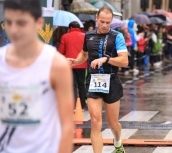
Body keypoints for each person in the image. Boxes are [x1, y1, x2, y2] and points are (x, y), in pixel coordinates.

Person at [0, 0, 74, 153]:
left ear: (39, 22)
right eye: (8, 22)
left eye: (21, 23)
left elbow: (67, 125)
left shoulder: (56, 64)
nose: (13, 30)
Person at [68, 6, 128, 153]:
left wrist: (106, 59)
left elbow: (124, 61)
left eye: (108, 22)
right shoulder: (88, 36)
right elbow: (84, 54)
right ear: (97, 19)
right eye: (102, 21)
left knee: (113, 124)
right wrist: (75, 61)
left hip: (112, 80)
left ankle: (118, 143)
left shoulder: (117, 36)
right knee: (95, 122)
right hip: (94, 81)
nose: (104, 25)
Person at [58, 21, 87, 110]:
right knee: (82, 84)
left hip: (69, 64)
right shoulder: (84, 36)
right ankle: (82, 104)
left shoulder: (65, 37)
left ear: (70, 28)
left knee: (72, 85)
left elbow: (60, 52)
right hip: (82, 63)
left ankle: (74, 105)